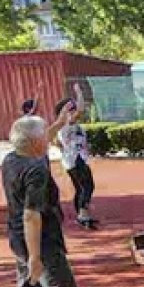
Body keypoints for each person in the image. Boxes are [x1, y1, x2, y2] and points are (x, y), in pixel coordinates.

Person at [2, 107, 102, 287]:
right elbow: (31, 215)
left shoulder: (13, 159)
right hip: (40, 241)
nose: (49, 139)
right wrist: (36, 257)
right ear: (36, 143)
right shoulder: (36, 170)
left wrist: (58, 123)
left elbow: (36, 138)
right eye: (43, 136)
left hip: (17, 238)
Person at [53, 85, 98, 230]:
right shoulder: (66, 125)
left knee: (80, 188)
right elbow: (81, 110)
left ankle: (81, 214)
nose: (74, 112)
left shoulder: (73, 126)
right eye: (70, 109)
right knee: (87, 186)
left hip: (77, 158)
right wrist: (79, 91)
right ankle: (83, 215)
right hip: (74, 160)